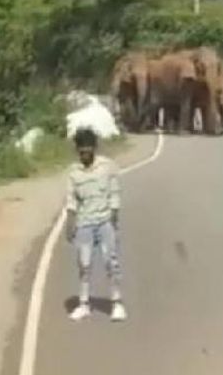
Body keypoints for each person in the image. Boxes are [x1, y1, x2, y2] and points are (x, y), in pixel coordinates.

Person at [65, 127, 127, 322]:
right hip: (84, 223)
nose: (85, 155)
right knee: (84, 264)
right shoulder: (73, 173)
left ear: (94, 148)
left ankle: (116, 303)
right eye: (81, 152)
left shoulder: (107, 167)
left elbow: (114, 193)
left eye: (88, 151)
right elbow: (72, 200)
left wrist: (114, 217)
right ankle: (84, 304)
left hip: (104, 222)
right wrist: (70, 223)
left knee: (111, 261)